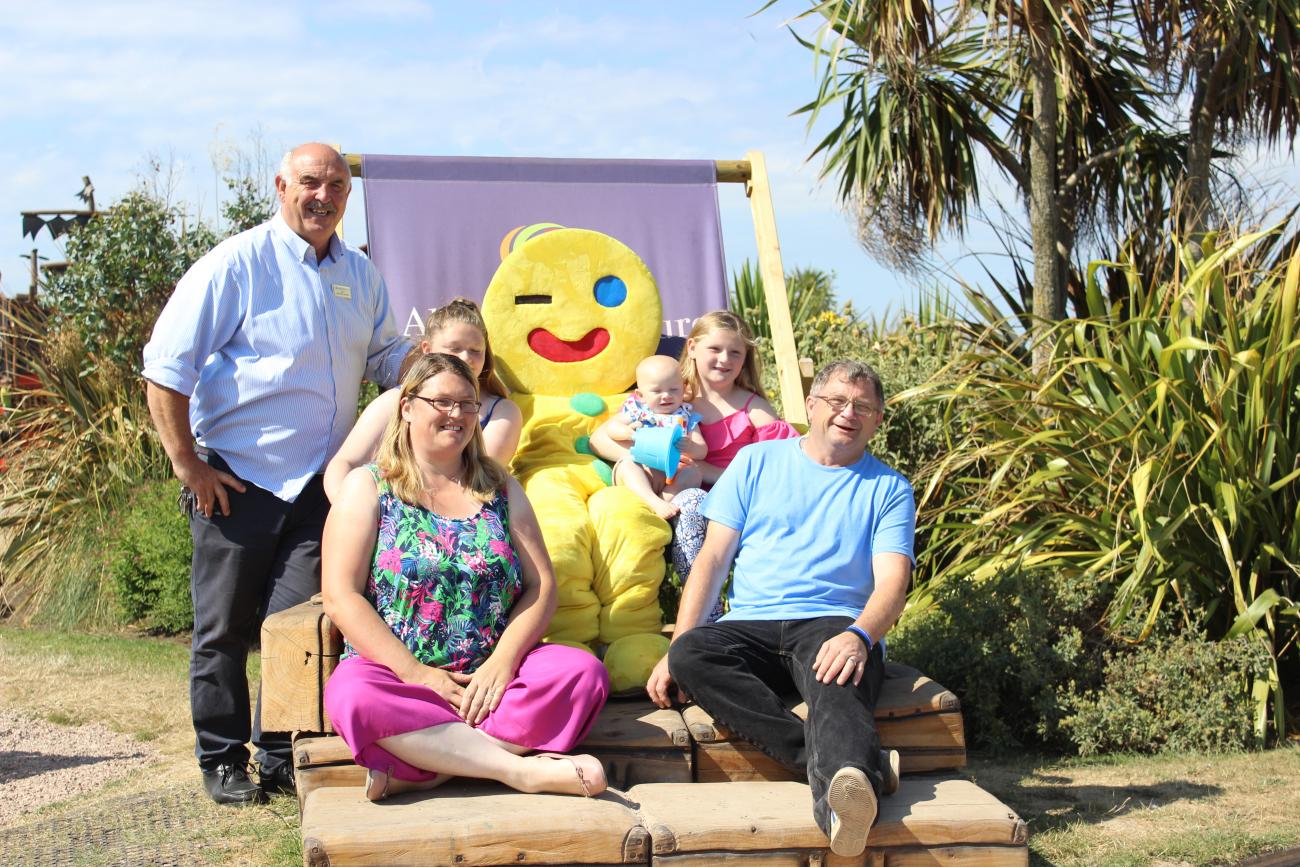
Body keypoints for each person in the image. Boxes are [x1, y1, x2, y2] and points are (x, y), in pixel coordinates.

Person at [142, 142, 413, 805]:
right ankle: (223, 758)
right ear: (282, 185)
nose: (325, 196)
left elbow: (384, 356)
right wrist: (189, 466)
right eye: (311, 183)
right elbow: (165, 368)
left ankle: (280, 754)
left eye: (338, 187)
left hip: (321, 489)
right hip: (239, 482)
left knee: (298, 631)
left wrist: (439, 364)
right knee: (223, 629)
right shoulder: (236, 265)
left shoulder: (359, 274)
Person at [646, 359, 914, 858]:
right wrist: (679, 643)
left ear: (877, 420)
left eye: (863, 406)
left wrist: (860, 636)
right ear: (811, 406)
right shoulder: (756, 462)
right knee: (690, 655)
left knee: (839, 674)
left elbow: (892, 586)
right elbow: (713, 560)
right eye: (836, 401)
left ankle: (842, 811)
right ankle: (854, 766)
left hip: (832, 623)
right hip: (750, 625)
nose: (848, 413)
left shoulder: (889, 488)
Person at [322, 353, 610, 801]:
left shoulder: (499, 486)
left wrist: (503, 661)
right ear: (407, 406)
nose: (456, 414)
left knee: (581, 673)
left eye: (468, 404)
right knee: (353, 693)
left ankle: (429, 767)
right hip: (399, 681)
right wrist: (416, 673)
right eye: (442, 402)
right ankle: (518, 772)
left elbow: (542, 586)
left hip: (491, 681)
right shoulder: (368, 485)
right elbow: (341, 596)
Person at [324, 298, 522, 502]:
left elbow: (477, 478)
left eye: (475, 350)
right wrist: (347, 510)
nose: (465, 358)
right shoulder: (394, 400)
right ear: (427, 349)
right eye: (454, 348)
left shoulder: (503, 412)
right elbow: (344, 463)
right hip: (392, 520)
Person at [670, 311, 798, 618]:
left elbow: (775, 474)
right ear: (692, 348)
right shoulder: (673, 399)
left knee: (695, 502)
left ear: (745, 359)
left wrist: (707, 472)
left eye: (735, 353)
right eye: (715, 349)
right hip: (675, 498)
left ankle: (725, 614)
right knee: (689, 501)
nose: (724, 359)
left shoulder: (754, 410)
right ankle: (705, 614)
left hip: (738, 505)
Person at [588, 354, 707, 520]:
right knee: (627, 463)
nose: (666, 395)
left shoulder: (686, 415)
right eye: (657, 391)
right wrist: (629, 433)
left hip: (670, 475)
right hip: (642, 471)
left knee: (694, 473)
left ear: (684, 388)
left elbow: (702, 450)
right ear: (640, 395)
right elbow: (612, 428)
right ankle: (652, 501)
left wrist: (690, 446)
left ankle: (664, 501)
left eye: (673, 389)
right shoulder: (639, 411)